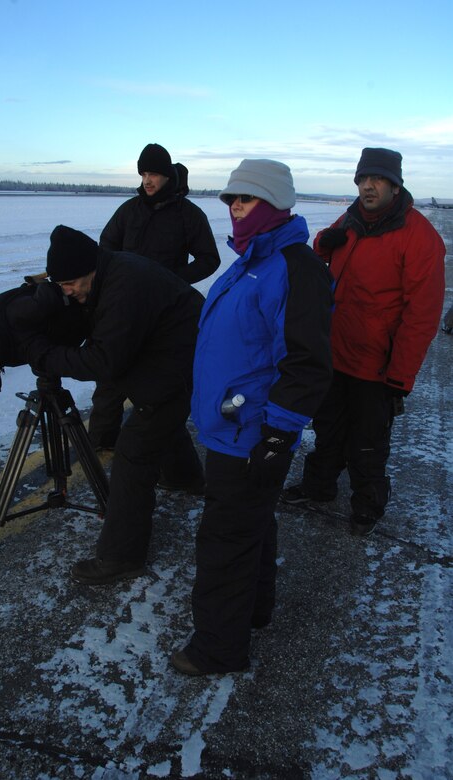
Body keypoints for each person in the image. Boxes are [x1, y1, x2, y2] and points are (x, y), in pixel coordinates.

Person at [170, 159, 334, 676]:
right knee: (250, 527)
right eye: (230, 200)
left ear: (274, 204)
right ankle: (253, 611)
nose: (234, 207)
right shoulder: (250, 260)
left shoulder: (293, 266)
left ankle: (218, 647)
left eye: (245, 199)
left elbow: (306, 362)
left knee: (225, 538)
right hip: (230, 427)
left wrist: (278, 435)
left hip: (251, 433)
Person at [20, 224, 205, 585]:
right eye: (60, 286)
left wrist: (48, 356)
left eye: (70, 284)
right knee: (160, 418)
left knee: (134, 454)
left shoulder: (125, 286)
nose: (67, 292)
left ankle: (121, 557)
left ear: (89, 269)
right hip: (174, 354)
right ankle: (187, 477)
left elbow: (105, 363)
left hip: (182, 360)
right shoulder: (110, 270)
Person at [282, 148, 446, 537]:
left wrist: (400, 377)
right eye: (362, 179)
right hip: (334, 351)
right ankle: (319, 487)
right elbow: (321, 252)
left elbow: (421, 317)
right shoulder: (352, 218)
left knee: (368, 443)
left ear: (394, 185)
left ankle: (367, 505)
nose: (368, 186)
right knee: (327, 429)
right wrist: (325, 242)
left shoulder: (421, 238)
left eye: (377, 180)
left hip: (376, 364)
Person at [89, 143, 220, 483]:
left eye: (155, 174)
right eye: (144, 174)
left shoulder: (189, 215)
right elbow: (105, 248)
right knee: (111, 370)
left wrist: (172, 281)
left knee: (158, 381)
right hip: (123, 306)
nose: (148, 181)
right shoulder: (130, 210)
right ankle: (102, 438)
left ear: (168, 176)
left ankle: (169, 456)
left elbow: (209, 259)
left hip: (164, 312)